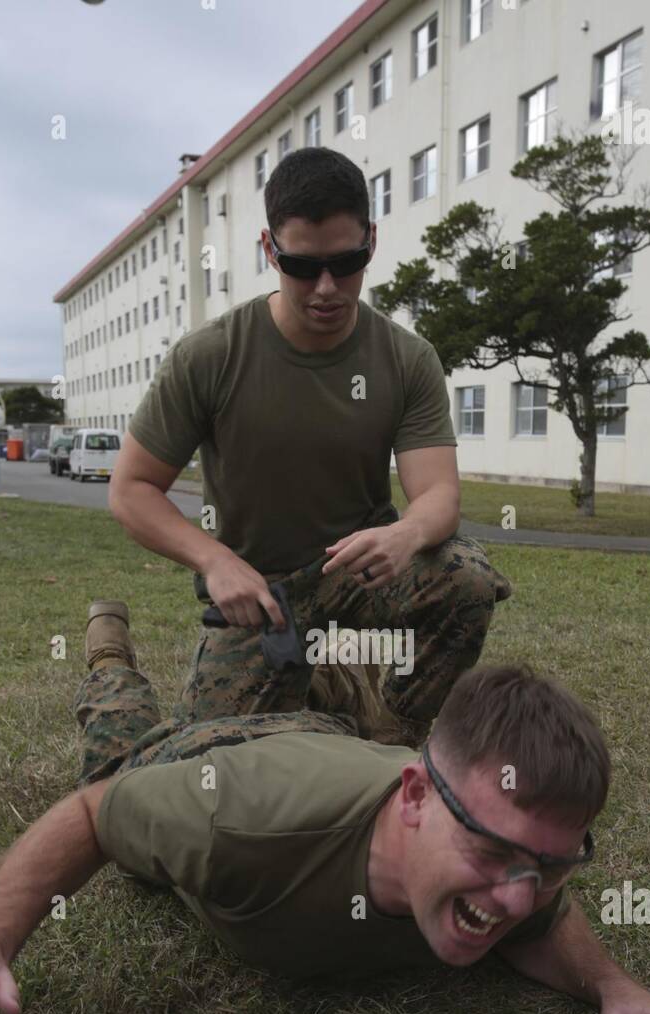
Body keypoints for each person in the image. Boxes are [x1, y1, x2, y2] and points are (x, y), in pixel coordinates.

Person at [0, 608, 650, 1014]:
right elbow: (90, 816)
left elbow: (544, 923)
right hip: (209, 760)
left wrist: (617, 988)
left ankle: (302, 670)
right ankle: (109, 639)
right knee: (120, 727)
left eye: (546, 866)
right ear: (414, 798)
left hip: (322, 739)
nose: (515, 897)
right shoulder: (239, 825)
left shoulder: (517, 868)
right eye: (494, 854)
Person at [107, 145, 511, 748]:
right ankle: (109, 662)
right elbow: (132, 489)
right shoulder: (212, 356)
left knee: (467, 577)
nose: (326, 288)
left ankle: (392, 732)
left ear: (371, 241)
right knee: (199, 769)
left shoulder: (405, 358)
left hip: (357, 573)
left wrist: (406, 534)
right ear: (270, 251)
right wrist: (216, 563)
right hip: (259, 595)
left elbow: (439, 495)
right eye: (302, 266)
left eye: (346, 262)